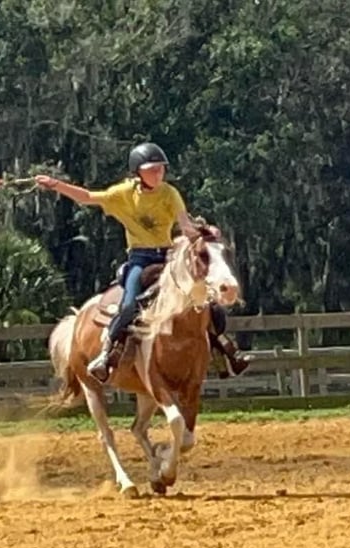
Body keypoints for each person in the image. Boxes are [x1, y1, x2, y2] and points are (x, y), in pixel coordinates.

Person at [35, 142, 250, 382]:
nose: (158, 173)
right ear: (138, 172)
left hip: (168, 258)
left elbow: (186, 226)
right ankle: (106, 354)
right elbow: (86, 197)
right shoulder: (123, 194)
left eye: (160, 169)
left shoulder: (170, 193)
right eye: (152, 169)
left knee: (210, 305)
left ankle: (225, 351)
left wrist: (204, 233)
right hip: (140, 258)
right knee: (128, 307)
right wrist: (56, 185)